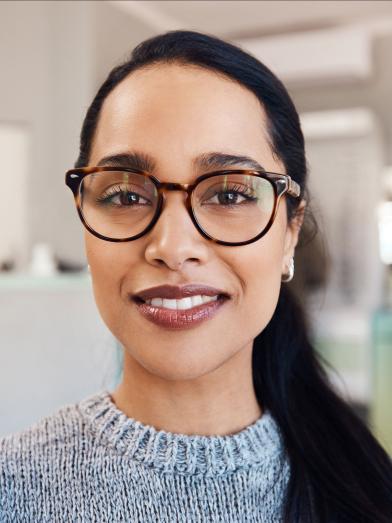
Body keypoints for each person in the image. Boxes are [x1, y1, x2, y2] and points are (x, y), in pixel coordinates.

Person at [1, 30, 391, 523]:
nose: (172, 247)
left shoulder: (364, 488)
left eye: (229, 195)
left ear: (290, 231)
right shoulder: (13, 489)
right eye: (125, 195)